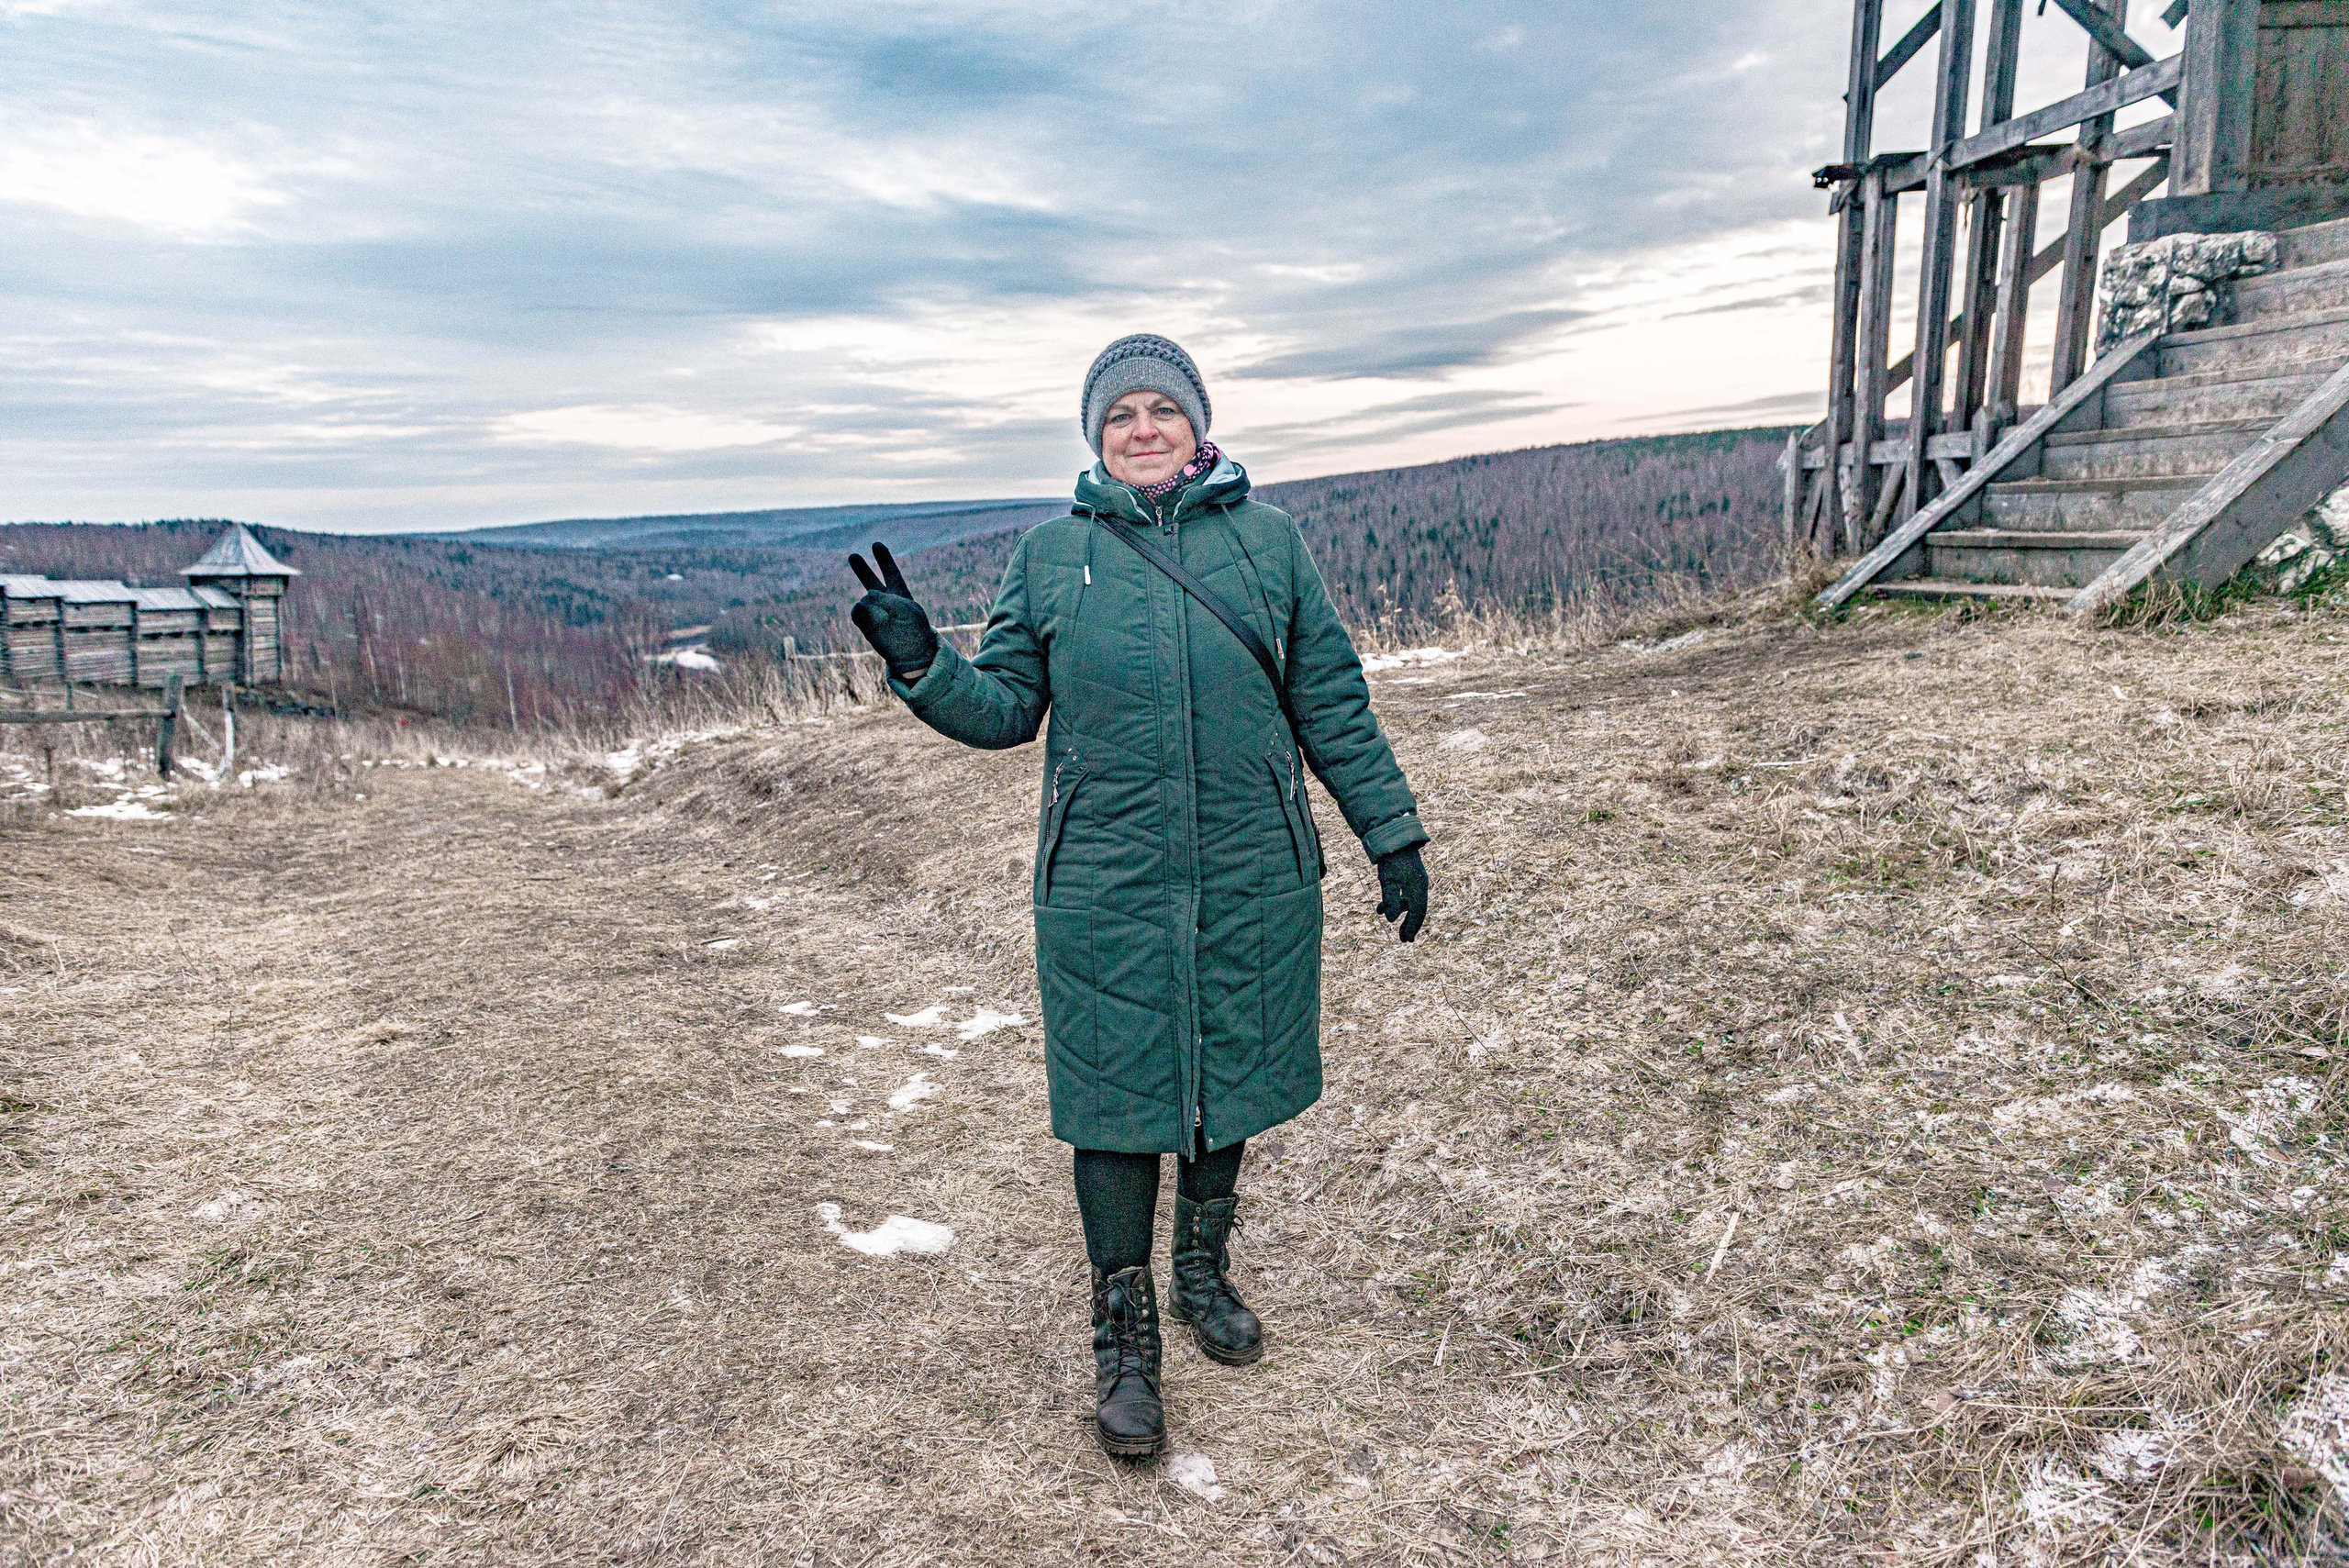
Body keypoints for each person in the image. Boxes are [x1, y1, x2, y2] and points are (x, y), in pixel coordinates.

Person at [845, 333, 1430, 1458]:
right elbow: (1006, 705)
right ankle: (1124, 1341)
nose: (1144, 428)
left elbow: (1331, 700)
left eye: (1163, 408)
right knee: (1115, 1098)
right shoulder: (1053, 555)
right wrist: (925, 666)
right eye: (1122, 415)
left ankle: (1201, 1265)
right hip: (1106, 878)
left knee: (1230, 1064)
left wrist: (1389, 831)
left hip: (1253, 860)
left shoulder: (1269, 543)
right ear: (1095, 437)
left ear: (1197, 423)